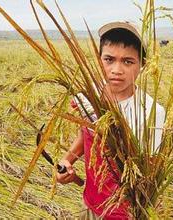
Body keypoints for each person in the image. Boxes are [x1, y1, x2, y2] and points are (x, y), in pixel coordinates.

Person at [56, 21, 165, 219]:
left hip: (124, 212)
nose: (117, 69)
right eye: (109, 59)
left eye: (128, 61)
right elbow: (86, 135)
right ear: (99, 60)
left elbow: (151, 171)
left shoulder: (150, 112)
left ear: (143, 65)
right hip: (89, 202)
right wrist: (67, 160)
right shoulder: (87, 97)